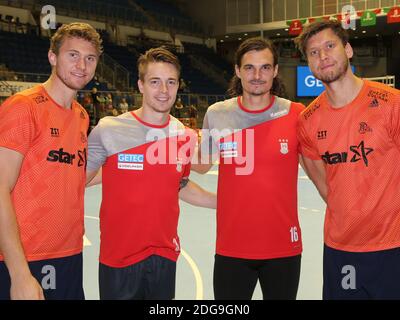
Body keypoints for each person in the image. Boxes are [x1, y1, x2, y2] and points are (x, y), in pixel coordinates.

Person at [86, 47, 216, 300]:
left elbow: (178, 184)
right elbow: (79, 180)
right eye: (155, 82)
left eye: (171, 82)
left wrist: (224, 201)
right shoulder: (109, 130)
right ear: (141, 85)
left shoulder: (184, 136)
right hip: (119, 258)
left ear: (179, 86)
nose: (164, 91)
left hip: (163, 255)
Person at [192, 37, 304, 300]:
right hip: (232, 247)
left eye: (265, 67)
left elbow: (319, 166)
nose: (257, 75)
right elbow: (201, 162)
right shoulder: (217, 114)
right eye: (249, 68)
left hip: (283, 248)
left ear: (275, 71)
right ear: (237, 70)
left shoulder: (296, 114)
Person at [295, 20, 400, 300]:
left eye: (330, 46)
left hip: (393, 247)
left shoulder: (392, 104)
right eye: (313, 52)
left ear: (349, 50)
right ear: (309, 63)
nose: (323, 56)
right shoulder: (308, 121)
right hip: (342, 250)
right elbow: (325, 188)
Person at [0, 22, 102, 300]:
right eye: (73, 55)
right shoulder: (24, 107)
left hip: (69, 254)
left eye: (90, 58)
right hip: (27, 257)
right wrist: (20, 275)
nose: (82, 65)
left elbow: (73, 174)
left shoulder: (81, 115)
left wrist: (130, 163)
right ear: (52, 57)